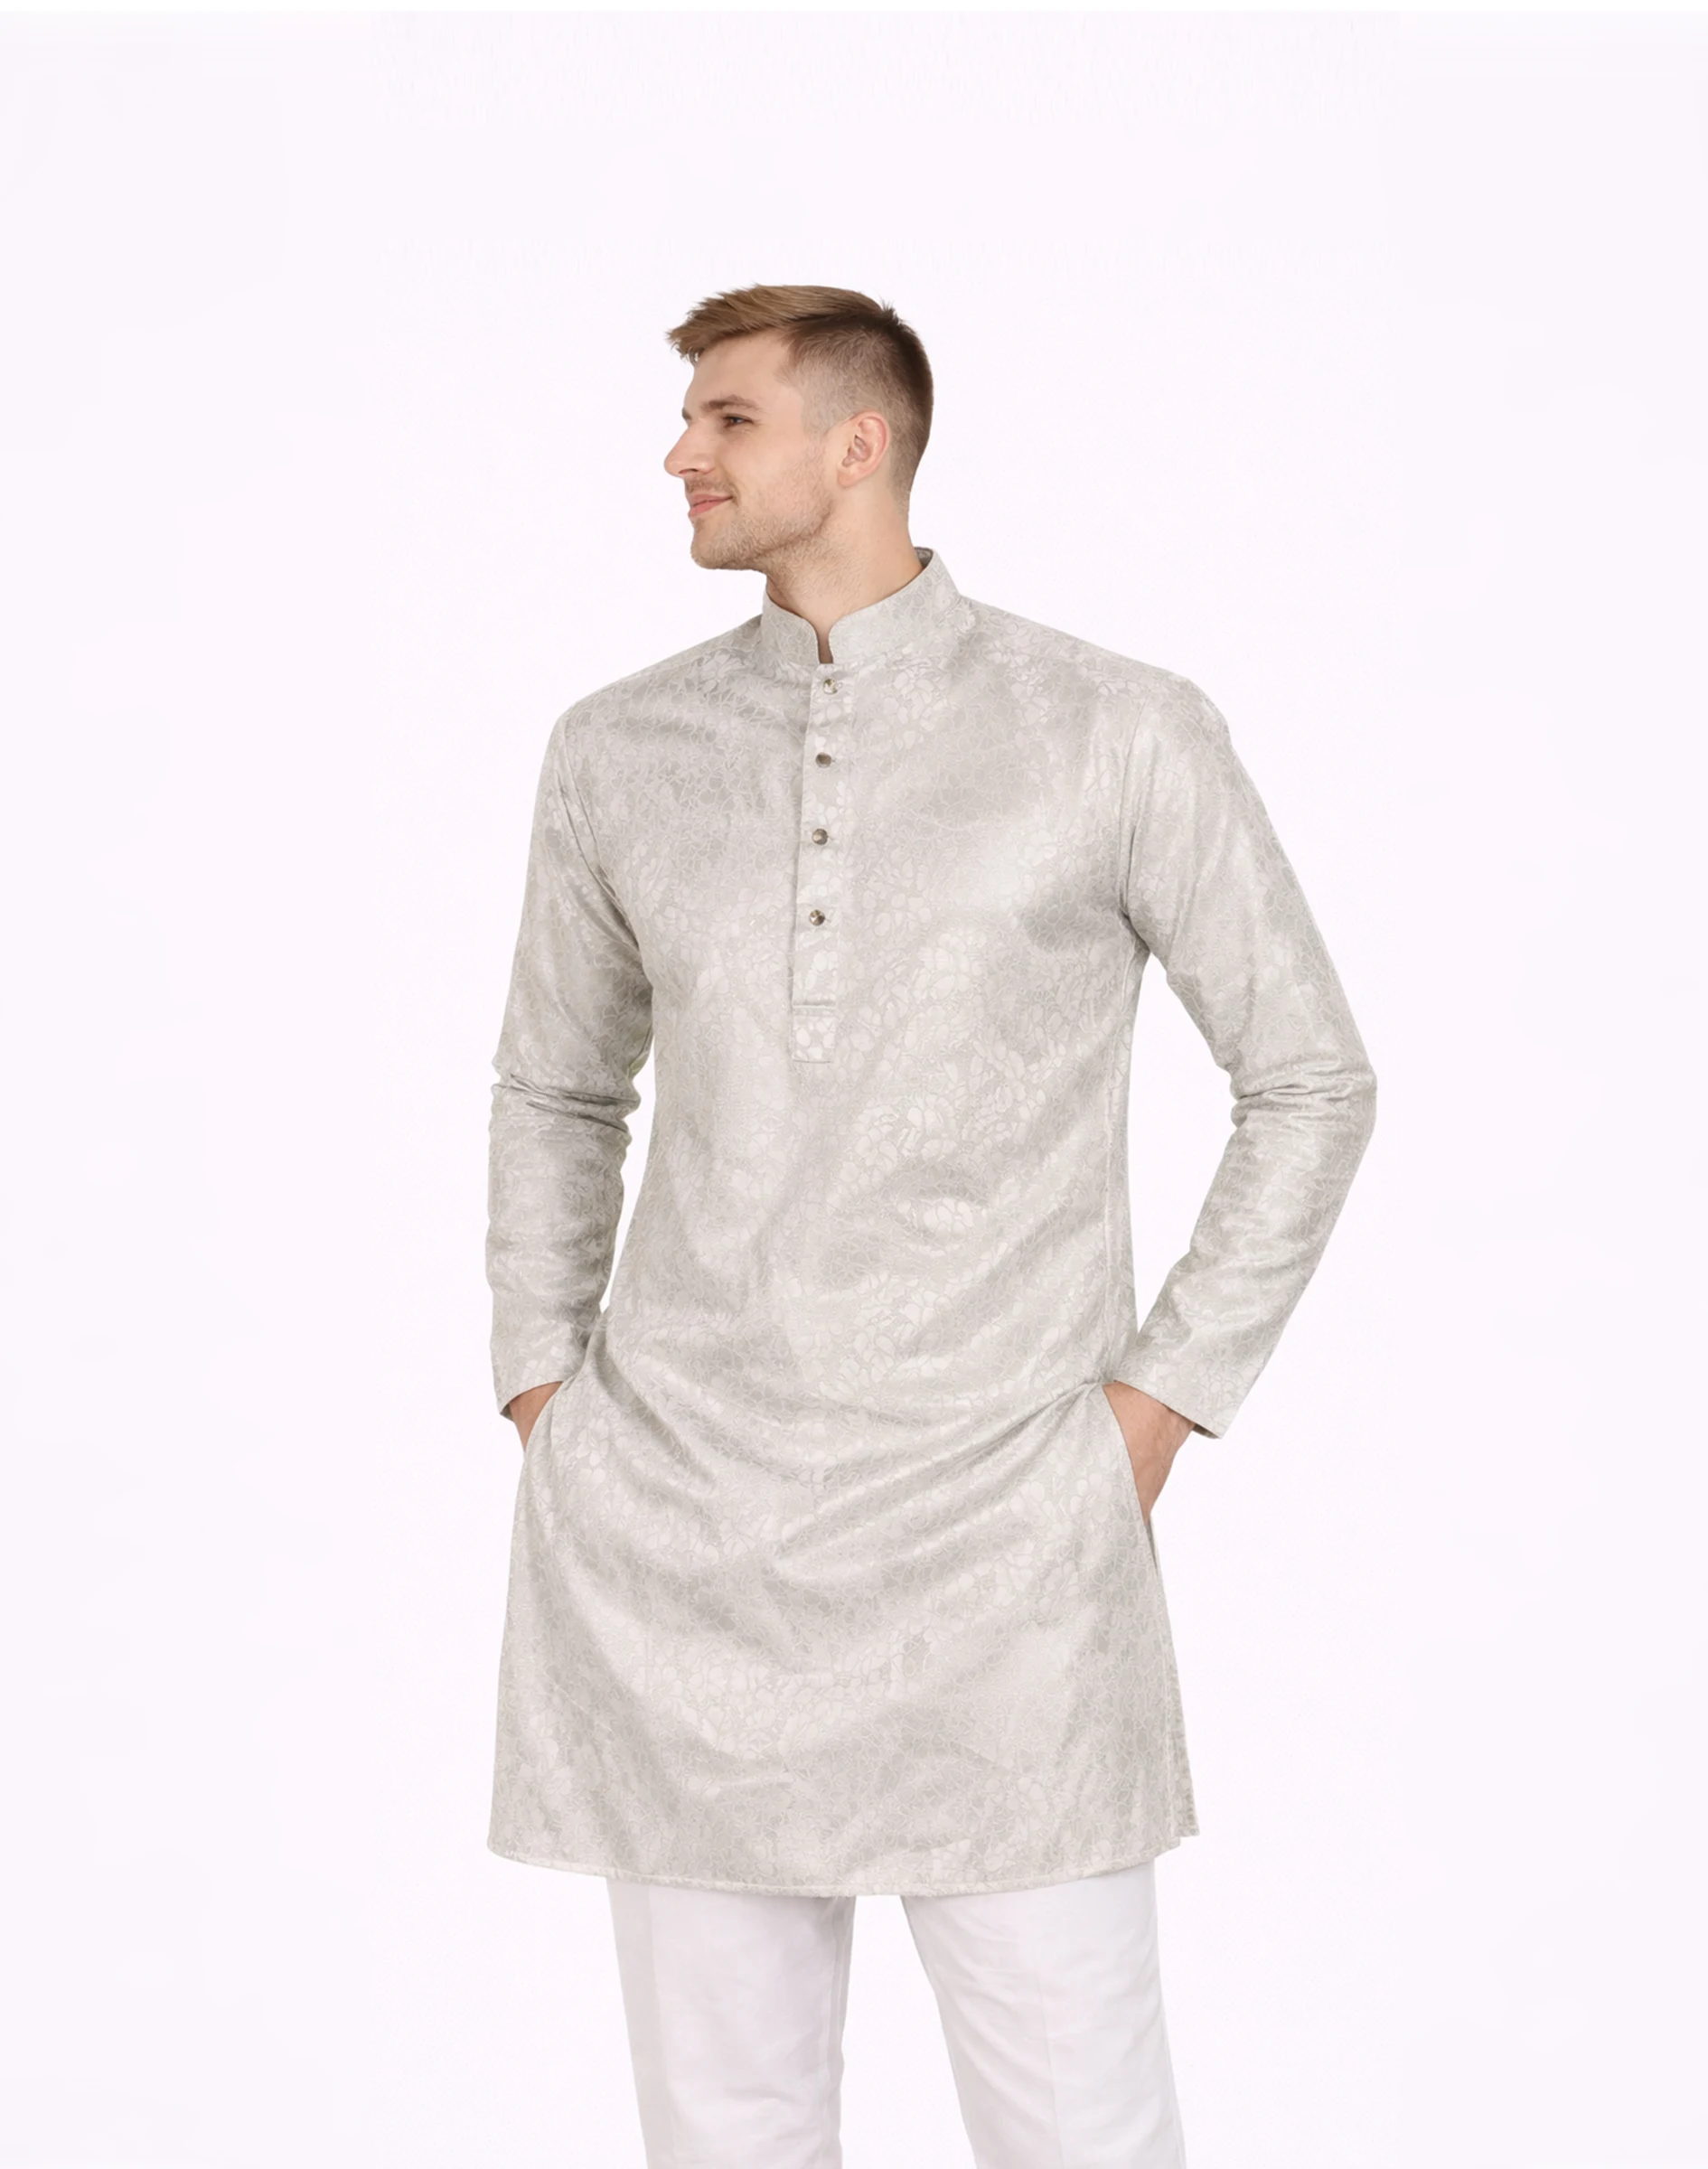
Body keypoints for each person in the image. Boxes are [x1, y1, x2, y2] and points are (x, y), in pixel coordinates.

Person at [484, 284, 1377, 2168]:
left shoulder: (1111, 730)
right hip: (680, 1543)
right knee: (725, 2131)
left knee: (1078, 2128)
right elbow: (557, 1090)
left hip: (1005, 1540)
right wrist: (545, 1387)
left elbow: (1309, 1078)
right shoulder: (621, 748)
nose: (679, 453)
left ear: (856, 444)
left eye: (726, 419)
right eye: (690, 419)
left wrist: (1154, 1409)